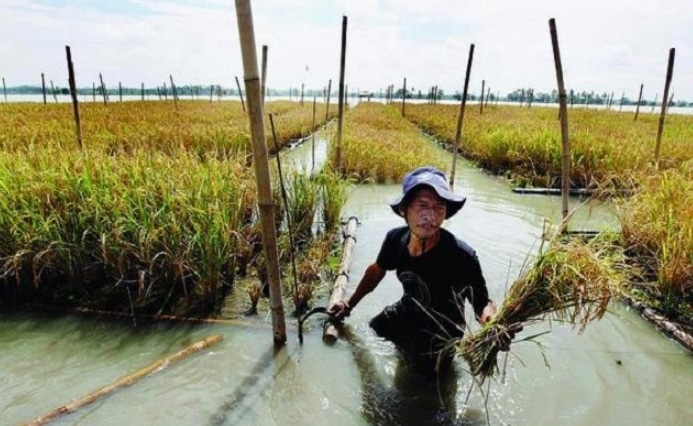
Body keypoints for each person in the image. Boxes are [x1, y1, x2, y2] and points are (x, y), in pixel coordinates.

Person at [330, 165, 505, 377]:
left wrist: (493, 324)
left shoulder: (461, 257)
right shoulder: (396, 239)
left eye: (438, 208)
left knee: (422, 387)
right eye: (422, 205)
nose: (430, 216)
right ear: (404, 210)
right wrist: (348, 305)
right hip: (406, 312)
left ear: (445, 213)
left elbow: (482, 304)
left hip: (440, 334)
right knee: (371, 330)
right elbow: (377, 271)